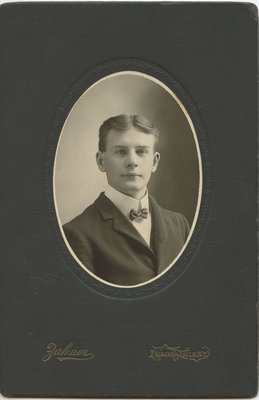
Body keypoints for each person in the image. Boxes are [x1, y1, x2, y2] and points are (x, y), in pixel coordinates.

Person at [63, 114, 190, 286]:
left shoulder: (179, 225)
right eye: (121, 152)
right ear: (101, 161)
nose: (132, 161)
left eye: (141, 152)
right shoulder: (77, 233)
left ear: (154, 162)